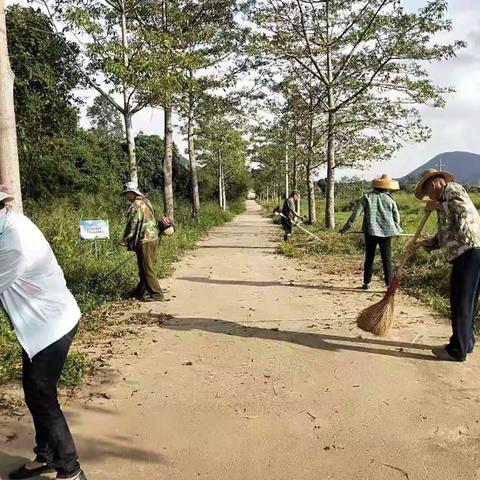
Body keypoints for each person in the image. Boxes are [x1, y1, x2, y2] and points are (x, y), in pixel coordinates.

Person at [0, 186, 86, 480]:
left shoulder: (13, 241)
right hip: (40, 325)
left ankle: (70, 469)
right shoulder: (10, 223)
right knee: (35, 390)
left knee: (41, 393)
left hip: (50, 326)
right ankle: (46, 455)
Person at [408, 168, 480, 362]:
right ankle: (467, 342)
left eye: (428, 193)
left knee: (460, 302)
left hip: (469, 251)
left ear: (433, 184)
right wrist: (425, 243)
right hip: (468, 252)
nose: (428, 197)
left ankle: (457, 350)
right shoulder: (443, 200)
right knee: (468, 302)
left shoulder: (452, 190)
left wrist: (437, 206)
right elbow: (446, 234)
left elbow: (463, 209)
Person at [340, 174, 402, 290]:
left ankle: (366, 283)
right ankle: (389, 285)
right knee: (387, 259)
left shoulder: (367, 197)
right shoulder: (390, 200)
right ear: (387, 188)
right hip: (387, 232)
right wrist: (397, 229)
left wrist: (346, 228)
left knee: (369, 257)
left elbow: (355, 215)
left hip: (370, 231)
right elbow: (396, 218)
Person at [122, 182, 164, 302]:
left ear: (131, 193)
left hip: (145, 239)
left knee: (147, 268)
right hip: (153, 237)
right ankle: (140, 291)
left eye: (126, 194)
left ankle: (157, 294)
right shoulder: (146, 201)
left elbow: (132, 225)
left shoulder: (135, 205)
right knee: (144, 267)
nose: (126, 197)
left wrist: (127, 239)